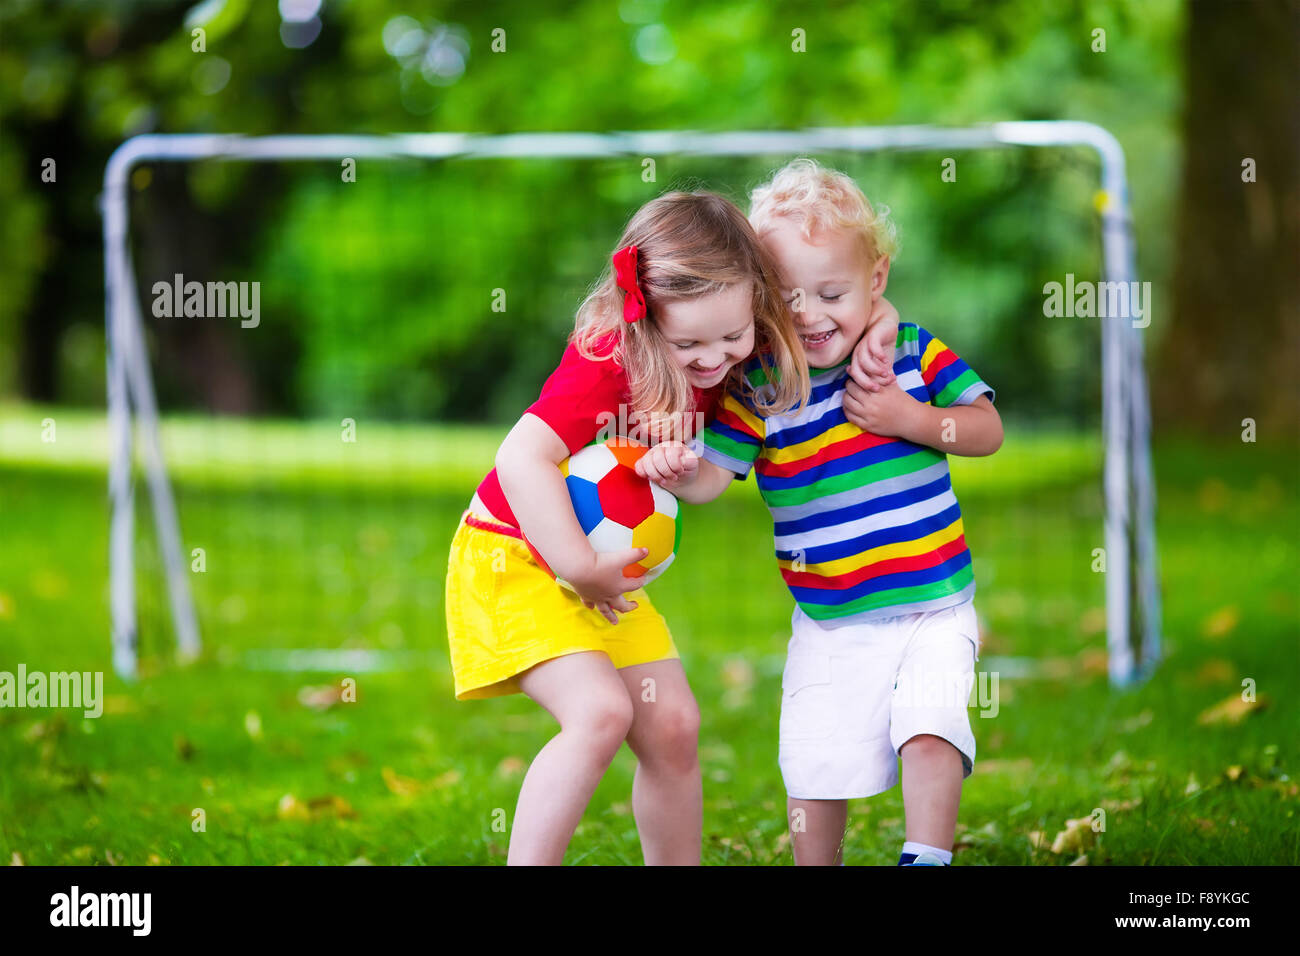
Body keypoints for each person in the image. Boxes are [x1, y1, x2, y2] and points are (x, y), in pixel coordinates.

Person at [445, 189, 896, 865]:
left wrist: (883, 322)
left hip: (598, 567)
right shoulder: (607, 363)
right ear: (647, 318)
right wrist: (576, 565)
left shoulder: (741, 340)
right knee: (600, 714)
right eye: (688, 343)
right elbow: (520, 457)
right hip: (521, 555)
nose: (715, 358)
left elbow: (844, 302)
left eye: (732, 336)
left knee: (675, 725)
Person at [636, 159, 1003, 866]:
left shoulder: (911, 354)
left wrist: (909, 417)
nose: (807, 313)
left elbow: (985, 430)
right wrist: (678, 470)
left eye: (830, 292)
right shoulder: (762, 387)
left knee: (932, 726)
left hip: (933, 604)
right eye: (787, 295)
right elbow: (715, 477)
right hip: (830, 619)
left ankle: (926, 855)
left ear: (878, 281)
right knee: (812, 760)